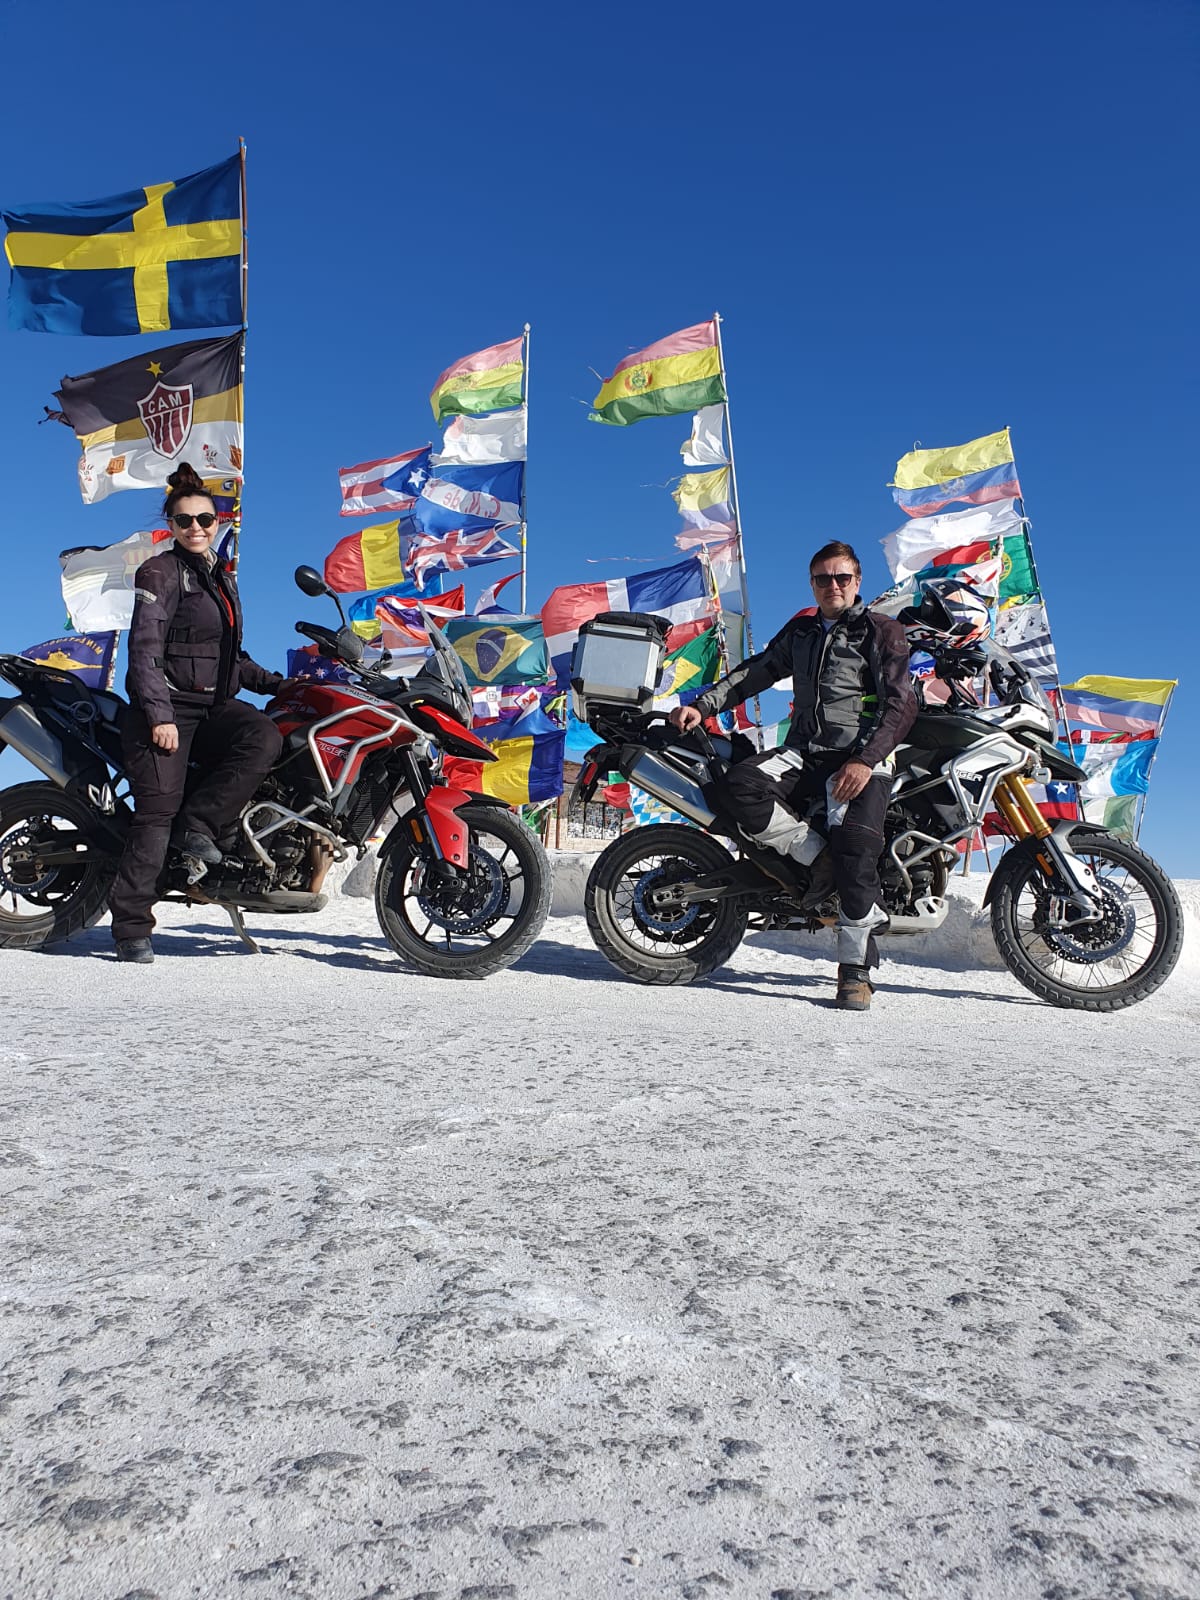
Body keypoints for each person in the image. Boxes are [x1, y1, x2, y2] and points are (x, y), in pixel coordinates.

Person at [670, 540, 917, 1011]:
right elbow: (754, 674)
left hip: (862, 759)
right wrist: (703, 706)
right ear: (812, 584)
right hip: (806, 753)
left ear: (857, 582)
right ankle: (819, 863)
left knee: (857, 848)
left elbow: (902, 704)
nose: (833, 586)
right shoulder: (802, 632)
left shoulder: (882, 631)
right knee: (738, 786)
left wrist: (864, 761)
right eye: (823, 578)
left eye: (841, 577)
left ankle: (854, 972)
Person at [107, 464, 288, 964]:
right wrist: (159, 714)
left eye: (205, 519)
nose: (196, 528)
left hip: (213, 707)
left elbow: (232, 657)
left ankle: (201, 826)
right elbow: (144, 648)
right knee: (156, 813)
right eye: (185, 520)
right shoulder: (159, 572)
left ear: (218, 521)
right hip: (165, 710)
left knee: (263, 735)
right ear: (171, 524)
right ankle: (131, 928)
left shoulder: (220, 579)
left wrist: (286, 684)